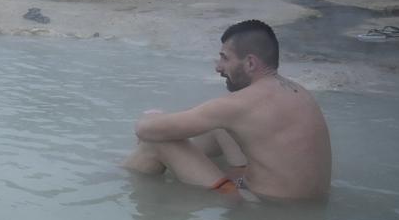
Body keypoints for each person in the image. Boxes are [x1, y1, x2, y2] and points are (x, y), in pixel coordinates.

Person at [122, 20, 332, 201]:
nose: (218, 67)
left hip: (261, 209)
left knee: (156, 143)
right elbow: (210, 115)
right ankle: (235, 173)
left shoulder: (240, 105)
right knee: (215, 128)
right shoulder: (297, 91)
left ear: (250, 62)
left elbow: (145, 129)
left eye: (225, 58)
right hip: (296, 206)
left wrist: (154, 119)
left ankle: (125, 191)